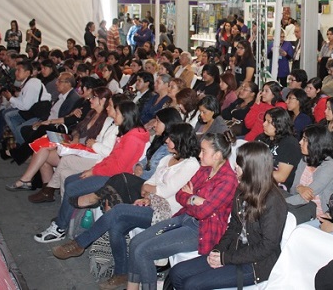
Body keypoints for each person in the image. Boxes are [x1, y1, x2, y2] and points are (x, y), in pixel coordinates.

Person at [50, 123, 201, 289]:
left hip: (167, 212)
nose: (166, 141)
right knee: (117, 225)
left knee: (119, 210)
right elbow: (151, 182)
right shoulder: (167, 159)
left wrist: (150, 192)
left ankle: (80, 243)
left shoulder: (191, 165)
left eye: (171, 138)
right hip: (150, 203)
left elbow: (166, 190)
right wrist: (149, 192)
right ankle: (122, 273)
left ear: (181, 140)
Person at [125, 133, 238, 290]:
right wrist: (194, 198)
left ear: (218, 155)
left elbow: (203, 212)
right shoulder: (206, 169)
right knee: (136, 242)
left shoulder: (228, 180)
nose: (199, 155)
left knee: (144, 251)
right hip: (185, 218)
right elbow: (180, 195)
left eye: (203, 151)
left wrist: (191, 197)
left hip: (202, 230)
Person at [169, 141, 288, 290]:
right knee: (177, 273)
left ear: (251, 168)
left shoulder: (273, 201)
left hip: (255, 265)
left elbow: (267, 246)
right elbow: (234, 226)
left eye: (239, 164)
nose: (235, 167)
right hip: (233, 252)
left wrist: (225, 258)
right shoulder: (242, 189)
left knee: (191, 284)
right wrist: (218, 250)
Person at [33, 100, 149, 244]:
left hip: (115, 179)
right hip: (109, 172)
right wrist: (93, 169)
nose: (114, 115)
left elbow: (118, 167)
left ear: (126, 116)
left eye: (117, 113)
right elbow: (112, 158)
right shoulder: (128, 133)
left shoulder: (133, 138)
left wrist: (94, 172)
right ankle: (65, 220)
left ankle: (59, 228)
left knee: (72, 187)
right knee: (70, 180)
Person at [285, 124, 333, 222]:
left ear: (316, 143)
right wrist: (300, 188)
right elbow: (293, 189)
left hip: (318, 215)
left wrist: (280, 203)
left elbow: (306, 197)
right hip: (300, 206)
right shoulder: (305, 159)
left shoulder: (329, 167)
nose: (300, 142)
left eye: (305, 139)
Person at [257, 107, 301, 191]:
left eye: (269, 122)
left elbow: (281, 177)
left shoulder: (290, 144)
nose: (264, 124)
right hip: (259, 182)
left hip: (278, 188)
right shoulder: (261, 138)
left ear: (279, 124)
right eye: (265, 120)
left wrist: (253, 174)